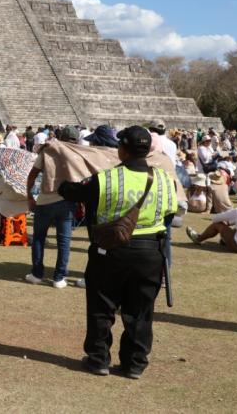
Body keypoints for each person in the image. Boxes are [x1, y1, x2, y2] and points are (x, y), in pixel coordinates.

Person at [58, 126, 178, 379]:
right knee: (141, 311)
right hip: (150, 251)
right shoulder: (166, 179)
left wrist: (66, 182)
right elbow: (170, 213)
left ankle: (99, 358)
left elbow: (70, 192)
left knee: (102, 306)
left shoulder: (106, 179)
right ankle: (135, 363)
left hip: (111, 250)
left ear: (121, 149)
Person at [25, 126, 79, 288]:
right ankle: (59, 277)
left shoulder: (47, 150)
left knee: (39, 238)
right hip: (67, 202)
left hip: (45, 201)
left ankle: (37, 274)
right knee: (64, 241)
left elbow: (32, 175)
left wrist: (29, 196)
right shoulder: (78, 152)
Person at [186, 189, 237, 255]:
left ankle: (198, 238)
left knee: (218, 225)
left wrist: (227, 222)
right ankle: (225, 241)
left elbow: (215, 219)